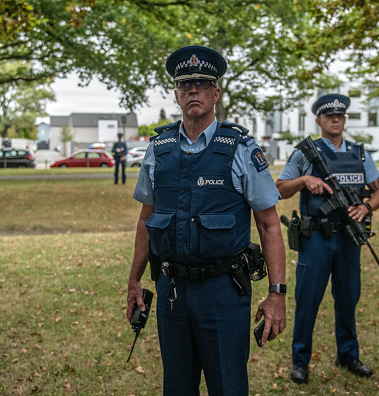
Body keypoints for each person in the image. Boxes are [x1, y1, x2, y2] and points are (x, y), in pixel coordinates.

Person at [126, 45, 287, 395]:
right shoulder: (159, 148)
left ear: (216, 93)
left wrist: (277, 294)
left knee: (228, 386)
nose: (193, 90)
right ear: (176, 94)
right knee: (178, 387)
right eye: (185, 84)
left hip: (223, 291)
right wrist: (134, 281)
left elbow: (269, 224)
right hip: (172, 291)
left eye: (202, 83)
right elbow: (146, 219)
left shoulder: (241, 149)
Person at [276, 94, 379, 383]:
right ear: (319, 120)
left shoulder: (360, 154)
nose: (335, 119)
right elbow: (280, 188)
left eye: (340, 115)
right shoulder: (305, 153)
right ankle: (300, 362)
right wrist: (304, 180)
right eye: (329, 116)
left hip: (349, 239)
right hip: (316, 239)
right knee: (308, 300)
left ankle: (348, 356)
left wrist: (366, 207)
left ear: (345, 119)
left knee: (348, 298)